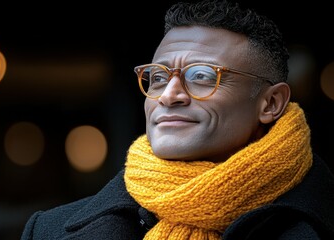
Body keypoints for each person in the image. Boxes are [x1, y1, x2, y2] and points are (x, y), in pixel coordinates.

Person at [20, 0, 334, 239]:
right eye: (157, 77)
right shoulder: (48, 230)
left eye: (201, 76)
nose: (170, 95)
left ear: (271, 103)